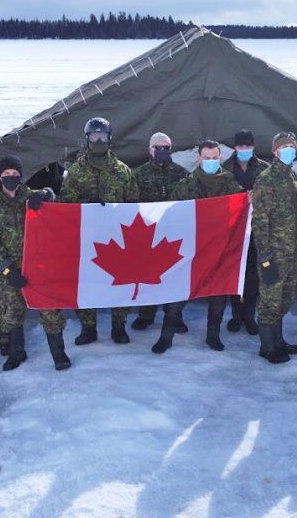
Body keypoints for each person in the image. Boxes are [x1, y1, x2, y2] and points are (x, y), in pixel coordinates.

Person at [150, 140, 245, 354]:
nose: (211, 161)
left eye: (214, 158)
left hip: (220, 249)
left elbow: (240, 213)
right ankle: (166, 336)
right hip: (191, 250)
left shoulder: (231, 185)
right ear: (199, 158)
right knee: (178, 293)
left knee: (218, 293)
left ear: (220, 159)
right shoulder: (187, 185)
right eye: (206, 158)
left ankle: (213, 335)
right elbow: (172, 212)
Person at [61, 117, 140, 345]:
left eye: (102, 137)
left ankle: (119, 326)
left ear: (109, 139)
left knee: (120, 281)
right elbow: (66, 206)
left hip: (117, 239)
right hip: (87, 238)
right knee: (87, 282)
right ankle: (88, 327)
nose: (98, 141)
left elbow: (133, 204)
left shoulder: (123, 171)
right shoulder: (76, 172)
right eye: (94, 137)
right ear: (86, 139)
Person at [0, 155, 58, 371]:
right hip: (10, 268)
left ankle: (58, 353)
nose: (11, 178)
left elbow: (55, 202)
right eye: (6, 175)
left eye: (15, 175)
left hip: (37, 266)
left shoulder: (29, 197)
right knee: (11, 312)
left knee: (49, 309)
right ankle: (16, 352)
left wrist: (46, 194)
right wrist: (6, 269)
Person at [251, 131, 297, 364]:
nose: (290, 150)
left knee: (285, 298)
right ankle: (267, 346)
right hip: (273, 252)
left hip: (292, 251)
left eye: (292, 146)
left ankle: (279, 340)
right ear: (275, 151)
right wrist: (265, 255)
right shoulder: (266, 178)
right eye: (285, 147)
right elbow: (260, 219)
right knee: (270, 300)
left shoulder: (293, 176)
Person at [130, 132, 190, 334]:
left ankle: (175, 316)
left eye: (166, 147)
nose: (162, 151)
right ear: (150, 150)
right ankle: (146, 315)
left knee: (174, 276)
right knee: (147, 276)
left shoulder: (182, 174)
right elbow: (129, 203)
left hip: (172, 235)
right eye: (158, 147)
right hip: (147, 235)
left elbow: (192, 202)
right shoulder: (139, 174)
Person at [222, 129, 270, 335]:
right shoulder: (224, 169)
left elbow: (271, 198)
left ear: (253, 147)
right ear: (235, 147)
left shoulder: (264, 169)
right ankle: (235, 316)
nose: (244, 150)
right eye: (241, 146)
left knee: (252, 276)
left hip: (256, 230)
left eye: (248, 146)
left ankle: (249, 316)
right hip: (231, 231)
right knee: (234, 274)